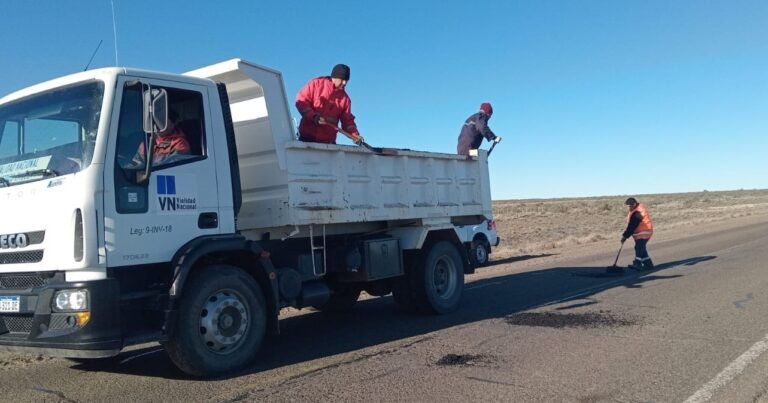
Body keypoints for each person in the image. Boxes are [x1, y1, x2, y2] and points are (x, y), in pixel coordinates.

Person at [295, 64, 364, 145]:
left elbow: (348, 121)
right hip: (306, 139)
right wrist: (313, 117)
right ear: (334, 77)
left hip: (328, 143)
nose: (344, 83)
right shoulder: (316, 84)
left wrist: (355, 135)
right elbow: (301, 101)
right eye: (342, 79)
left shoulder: (345, 99)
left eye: (346, 80)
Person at [621, 197, 655, 270]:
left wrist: (625, 236)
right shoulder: (636, 209)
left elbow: (632, 226)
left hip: (644, 232)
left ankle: (637, 263)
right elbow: (632, 225)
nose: (629, 207)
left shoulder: (637, 212)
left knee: (639, 247)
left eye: (630, 206)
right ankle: (648, 263)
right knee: (641, 247)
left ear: (634, 204)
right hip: (643, 231)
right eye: (628, 206)